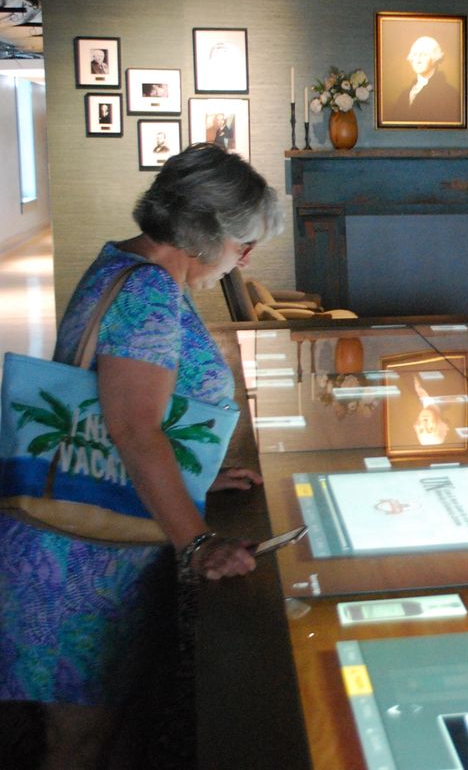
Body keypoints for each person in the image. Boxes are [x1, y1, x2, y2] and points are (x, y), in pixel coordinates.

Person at [0, 143, 283, 769]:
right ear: (207, 232)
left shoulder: (123, 263)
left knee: (109, 731)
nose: (245, 260)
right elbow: (132, 429)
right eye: (244, 244)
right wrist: (200, 542)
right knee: (78, 743)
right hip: (80, 555)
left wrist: (196, 471)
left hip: (91, 537)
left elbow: (126, 408)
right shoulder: (149, 294)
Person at [388, 35, 459, 123]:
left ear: (435, 58)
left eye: (424, 55)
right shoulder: (405, 94)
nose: (418, 60)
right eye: (415, 55)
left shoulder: (449, 94)